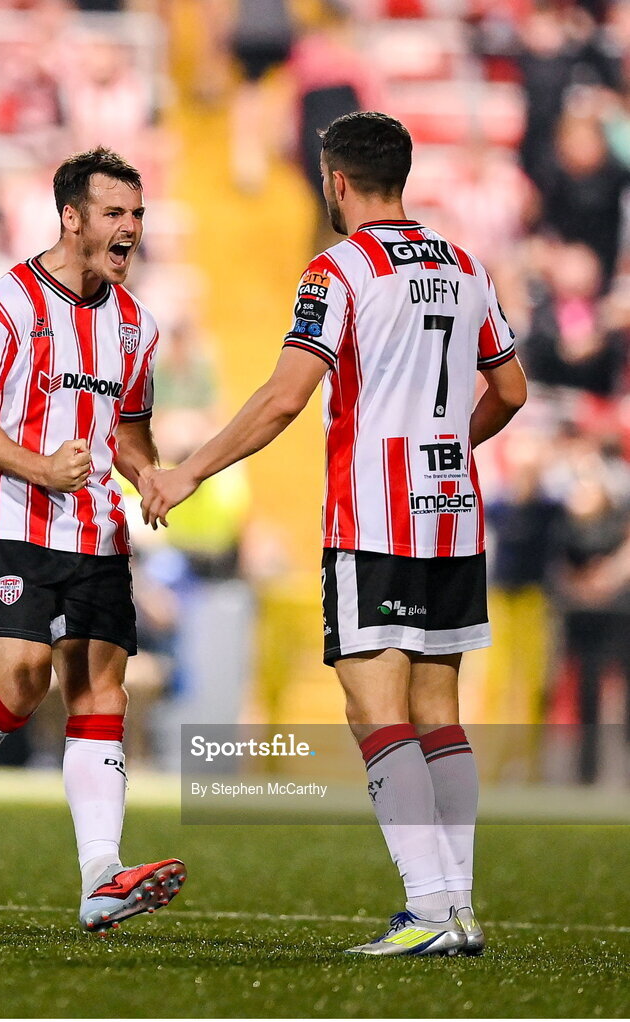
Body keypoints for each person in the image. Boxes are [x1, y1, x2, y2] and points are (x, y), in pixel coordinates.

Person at [141, 112, 527, 956]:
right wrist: (448, 446)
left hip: (375, 518)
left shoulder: (339, 269)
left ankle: (429, 907)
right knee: (439, 711)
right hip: (451, 512)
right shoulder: (467, 265)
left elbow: (285, 397)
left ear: (336, 182)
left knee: (372, 707)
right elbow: (513, 390)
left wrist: (188, 470)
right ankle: (458, 907)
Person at [0, 147, 186, 934]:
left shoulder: (138, 324)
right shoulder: (1, 306)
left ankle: (101, 875)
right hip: (9, 522)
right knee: (24, 679)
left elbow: (129, 433)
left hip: (97, 531)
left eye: (137, 214)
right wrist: (40, 467)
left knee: (101, 697)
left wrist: (150, 476)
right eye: (115, 215)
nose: (131, 229)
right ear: (72, 217)